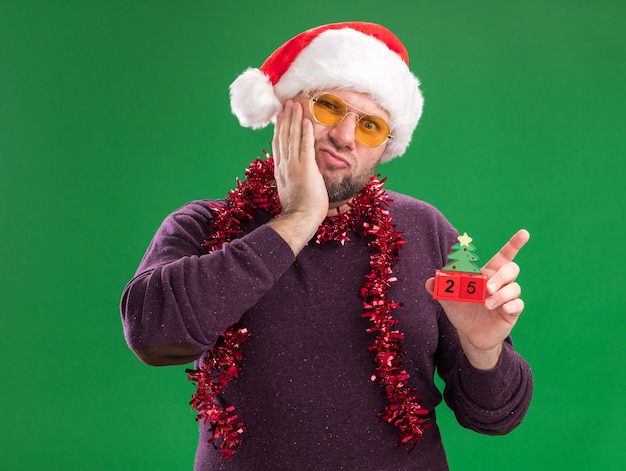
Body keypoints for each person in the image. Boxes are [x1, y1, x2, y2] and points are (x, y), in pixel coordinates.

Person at [120, 21, 533, 470]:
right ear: (284, 109)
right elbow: (151, 333)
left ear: (385, 149)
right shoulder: (206, 225)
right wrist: (298, 219)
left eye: (371, 125)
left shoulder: (426, 231)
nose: (345, 136)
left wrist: (482, 351)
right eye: (330, 107)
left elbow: (494, 417)